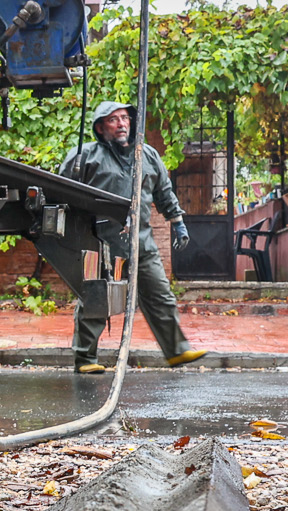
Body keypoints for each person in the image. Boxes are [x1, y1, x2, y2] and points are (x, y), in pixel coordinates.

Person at [63, 100, 208, 373]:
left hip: (141, 242)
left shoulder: (147, 155)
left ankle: (176, 351)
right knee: (95, 298)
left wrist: (177, 222)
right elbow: (62, 190)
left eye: (124, 118)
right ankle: (85, 359)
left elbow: (163, 191)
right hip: (99, 242)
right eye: (113, 119)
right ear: (100, 127)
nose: (121, 123)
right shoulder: (85, 156)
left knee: (160, 294)